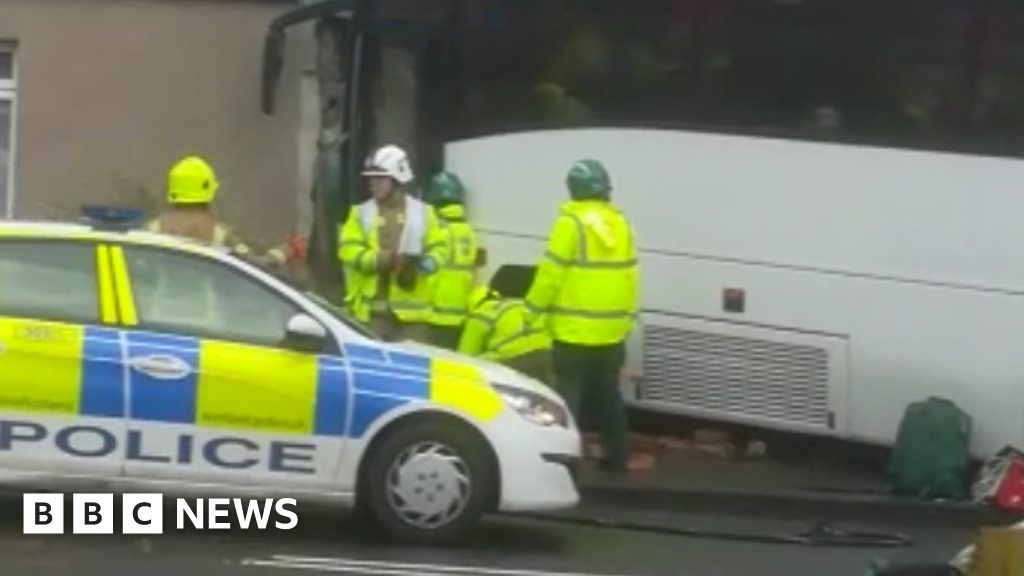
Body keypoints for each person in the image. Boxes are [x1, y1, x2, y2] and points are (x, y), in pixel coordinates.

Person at [524, 158, 641, 473]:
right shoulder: (621, 223)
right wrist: (627, 319)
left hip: (572, 333)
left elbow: (550, 274)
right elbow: (630, 275)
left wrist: (530, 312)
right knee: (609, 399)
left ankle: (565, 464)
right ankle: (616, 459)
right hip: (611, 333)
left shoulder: (570, 223)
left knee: (567, 400)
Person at [338, 144, 446, 342]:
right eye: (370, 178)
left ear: (398, 179)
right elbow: (347, 250)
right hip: (373, 315)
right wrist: (381, 259)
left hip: (413, 319)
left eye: (379, 178)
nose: (372, 184)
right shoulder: (360, 213)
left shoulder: (424, 212)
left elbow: (440, 248)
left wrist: (424, 264)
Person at [425, 171, 480, 350]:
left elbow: (428, 271)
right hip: (461, 314)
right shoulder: (468, 231)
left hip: (435, 315)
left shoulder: (438, 230)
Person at [459, 285, 553, 384]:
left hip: (515, 360)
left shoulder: (479, 314)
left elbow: (466, 357)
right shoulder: (518, 303)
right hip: (546, 354)